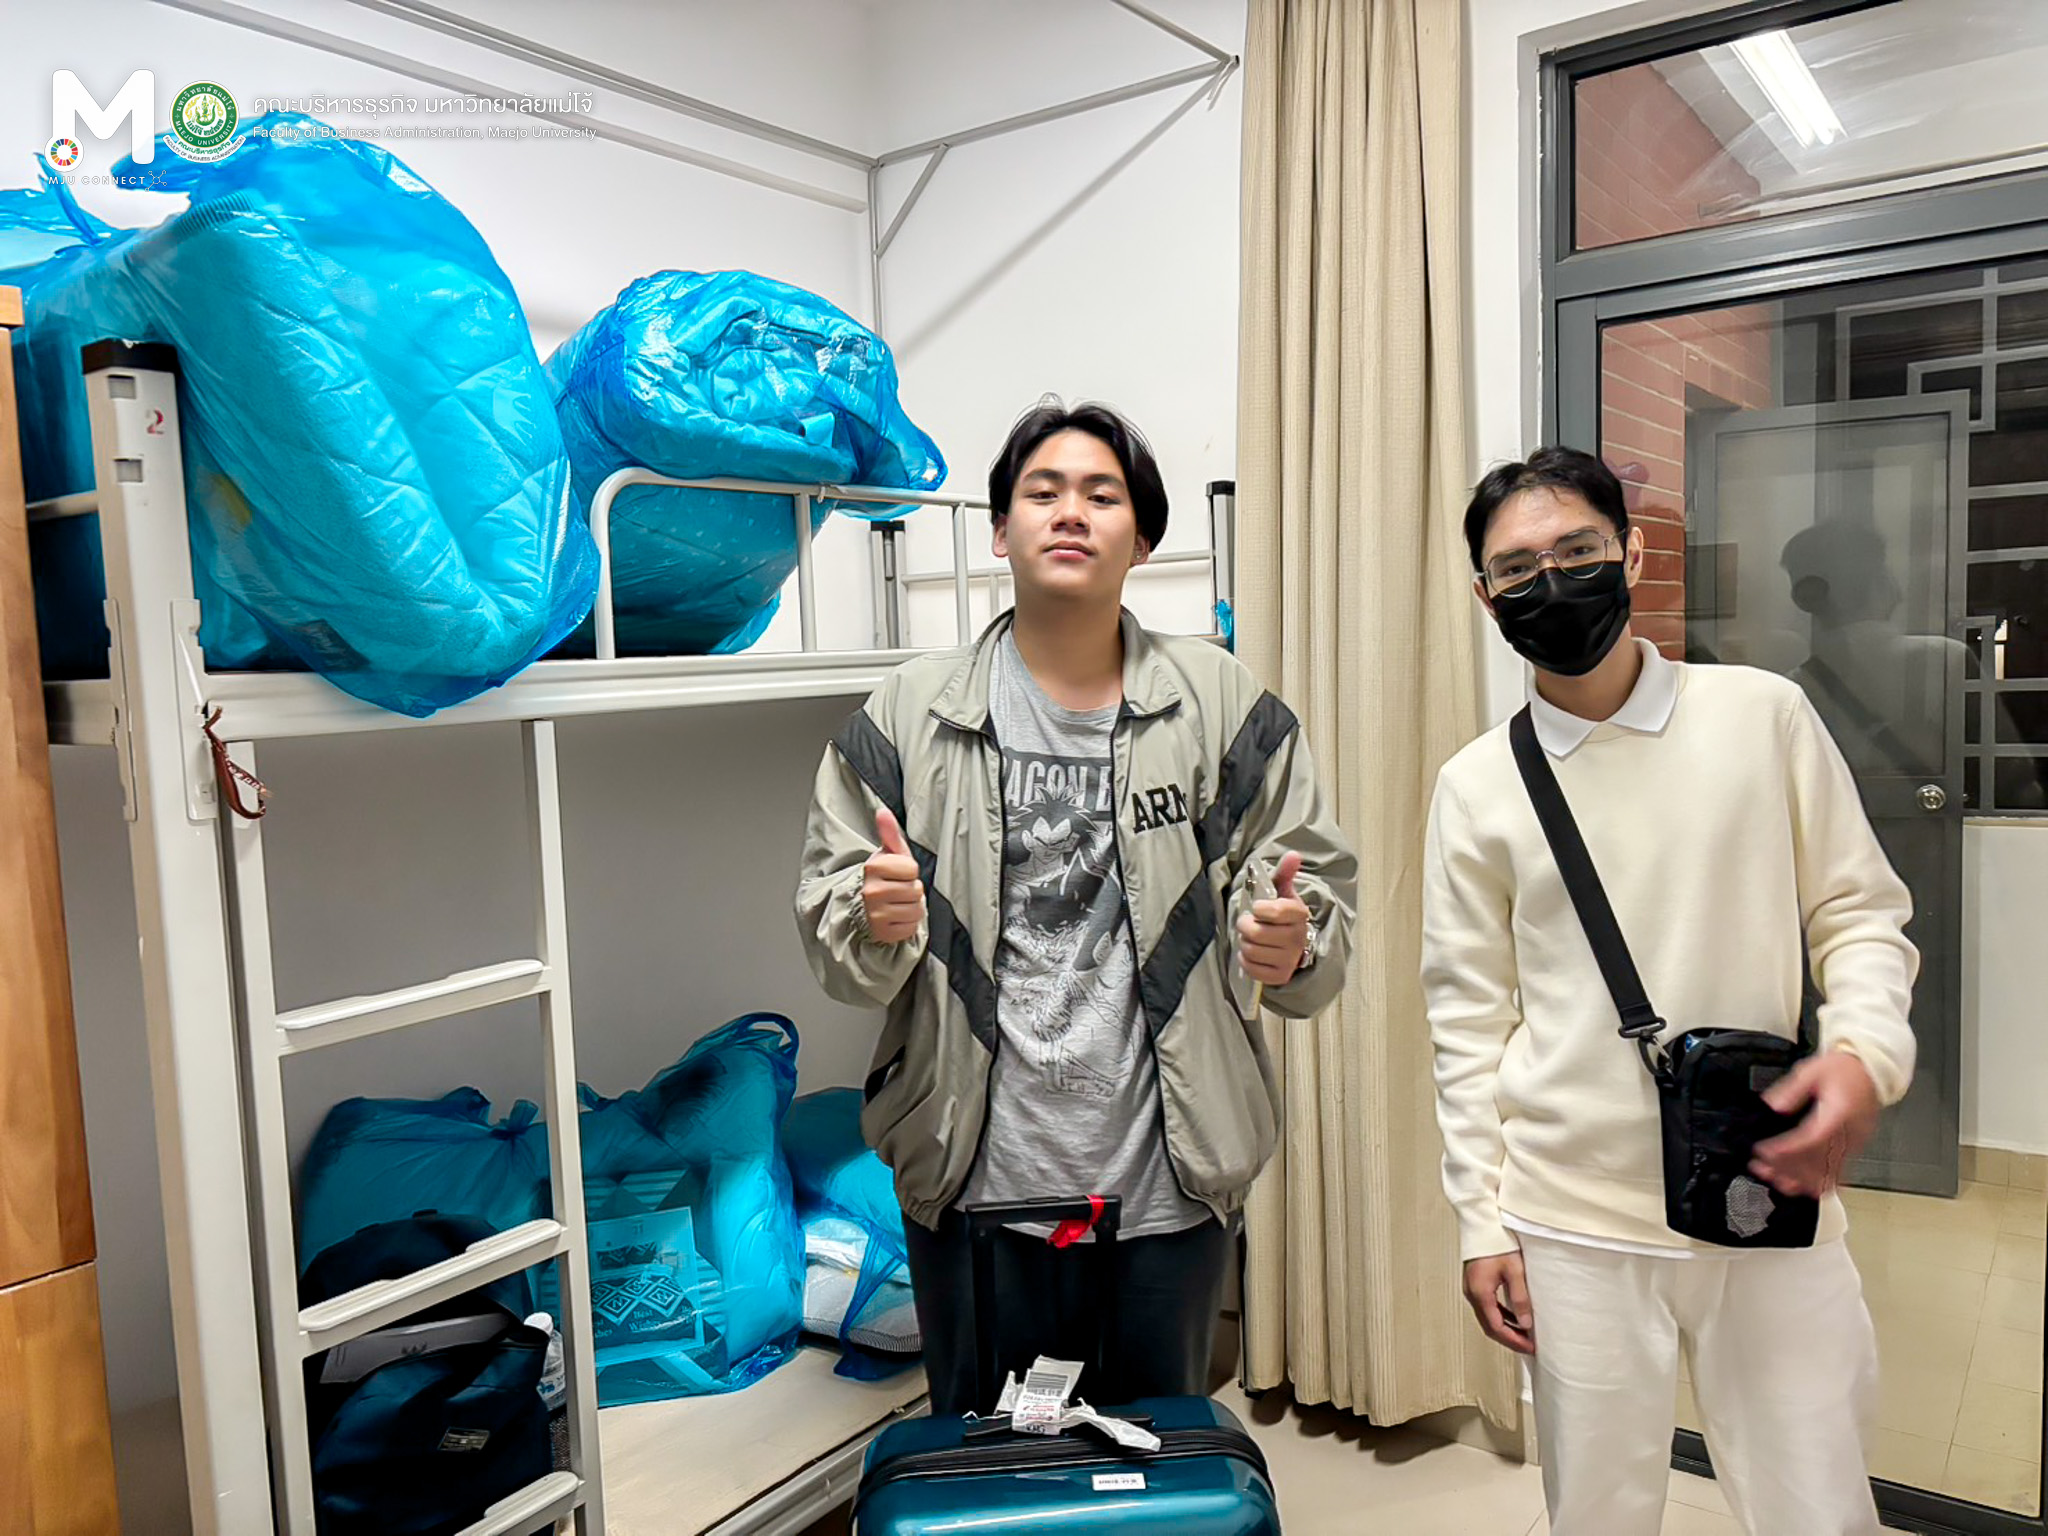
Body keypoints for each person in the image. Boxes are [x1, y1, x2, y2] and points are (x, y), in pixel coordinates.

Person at [795, 399, 1357, 1415]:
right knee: (992, 1463)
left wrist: (1293, 944)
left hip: (1168, 1179)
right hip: (971, 1175)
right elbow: (836, 941)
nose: (1069, 512)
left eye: (1102, 495)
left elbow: (1309, 891)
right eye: (1041, 491)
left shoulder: (1220, 702)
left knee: (1157, 1453)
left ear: (1141, 540)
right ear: (999, 530)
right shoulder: (908, 713)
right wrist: (874, 924)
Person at [1421, 447, 1918, 1535]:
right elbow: (1466, 1021)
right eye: (1517, 569)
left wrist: (1861, 1051)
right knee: (1596, 1511)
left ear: (1631, 554)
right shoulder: (1475, 785)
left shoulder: (1761, 716)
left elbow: (1856, 912)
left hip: (1763, 1179)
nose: (1551, 582)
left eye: (1578, 551)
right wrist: (1479, 1224)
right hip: (1569, 1213)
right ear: (1485, 596)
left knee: (1817, 1503)